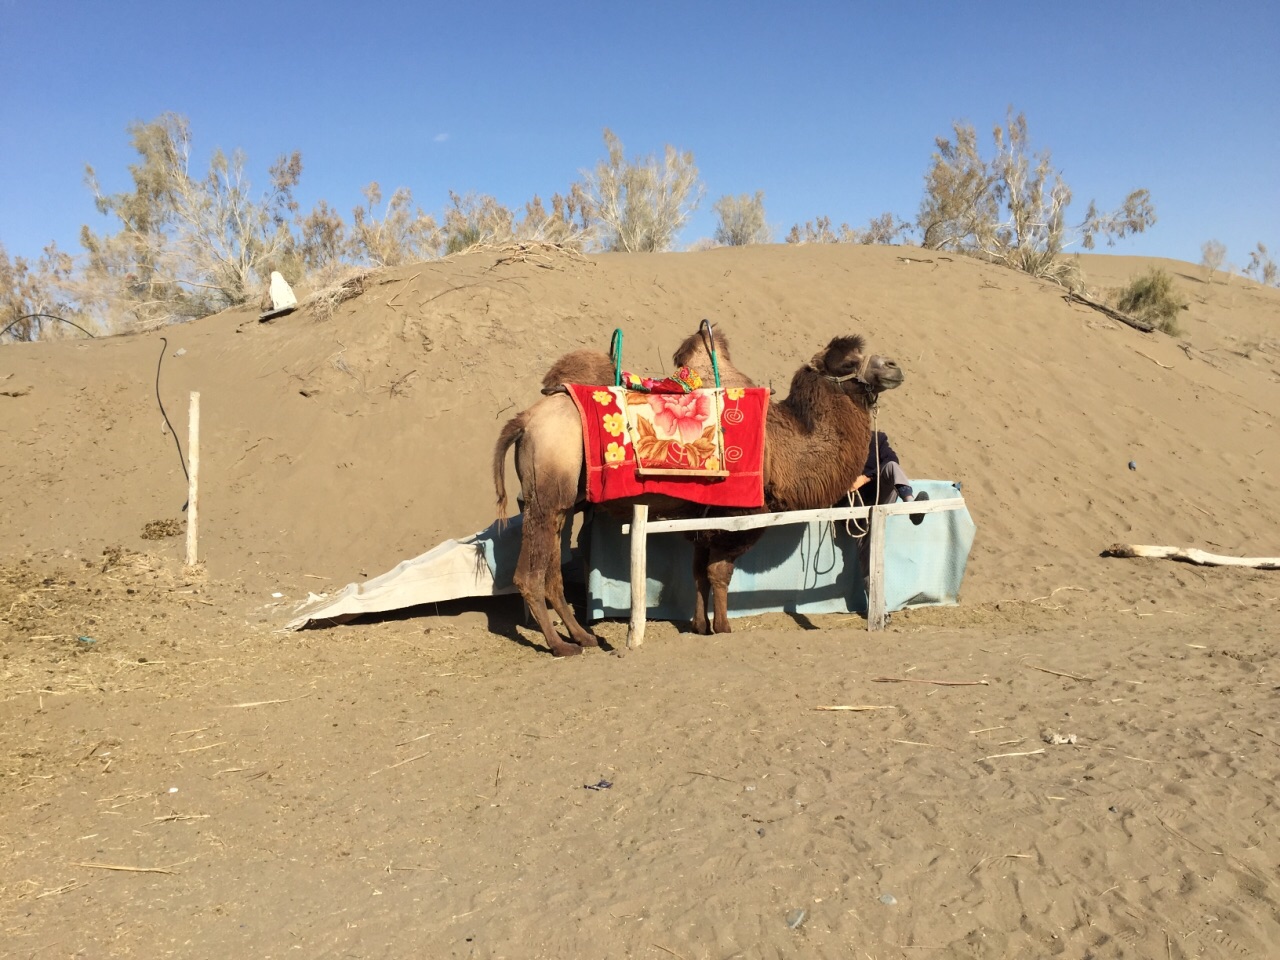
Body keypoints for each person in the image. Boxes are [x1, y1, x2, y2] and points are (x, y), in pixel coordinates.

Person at [847, 431, 929, 524]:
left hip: (878, 498)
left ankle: (911, 505)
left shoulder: (876, 439)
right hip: (852, 507)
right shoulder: (839, 442)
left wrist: (865, 478)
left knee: (891, 466)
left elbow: (892, 459)